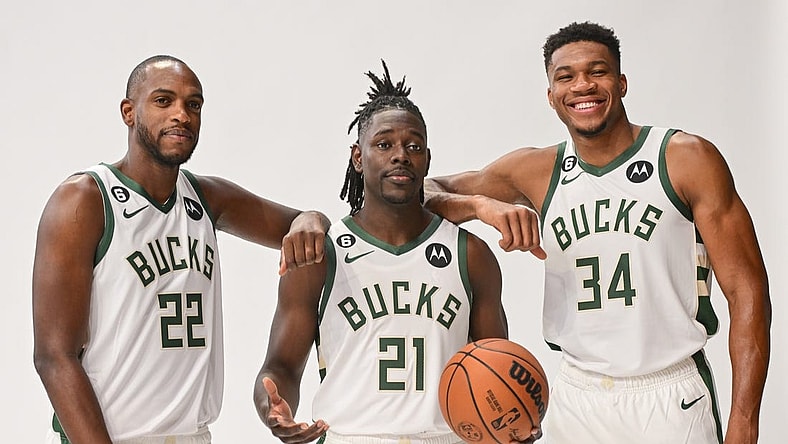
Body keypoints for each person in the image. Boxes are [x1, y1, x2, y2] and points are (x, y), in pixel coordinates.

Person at [424, 22, 771, 444]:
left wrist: (745, 421)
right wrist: (481, 205)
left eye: (598, 71)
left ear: (622, 83)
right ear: (551, 96)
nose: (582, 86)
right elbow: (424, 191)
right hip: (576, 397)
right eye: (565, 77)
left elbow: (746, 291)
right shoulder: (537, 170)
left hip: (670, 395)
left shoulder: (685, 158)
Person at [32, 55, 330, 444]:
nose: (182, 115)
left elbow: (302, 225)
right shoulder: (84, 199)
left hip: (194, 435)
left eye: (193, 104)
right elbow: (54, 357)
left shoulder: (206, 197)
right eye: (163, 101)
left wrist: (312, 218)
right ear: (128, 112)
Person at [253, 61, 533, 444]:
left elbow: (494, 367)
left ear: (427, 160)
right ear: (358, 157)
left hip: (445, 436)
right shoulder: (321, 256)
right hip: (350, 436)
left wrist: (513, 419)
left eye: (413, 146)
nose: (400, 155)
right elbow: (280, 365)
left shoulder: (471, 256)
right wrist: (274, 407)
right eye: (384, 144)